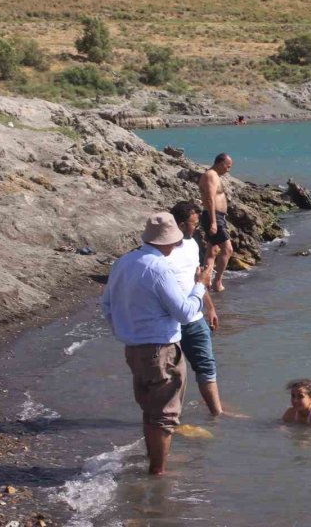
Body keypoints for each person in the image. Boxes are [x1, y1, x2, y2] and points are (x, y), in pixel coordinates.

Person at [101, 213, 212, 475]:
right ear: (167, 242)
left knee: (150, 410)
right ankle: (158, 472)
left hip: (134, 348)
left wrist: (125, 329)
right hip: (160, 349)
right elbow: (184, 313)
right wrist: (200, 286)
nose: (176, 246)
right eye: (175, 242)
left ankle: (154, 464)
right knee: (164, 415)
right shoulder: (160, 268)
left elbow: (106, 305)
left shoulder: (124, 262)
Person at [168, 201, 224, 416]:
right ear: (181, 225)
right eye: (194, 223)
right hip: (170, 321)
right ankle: (170, 416)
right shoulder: (164, 252)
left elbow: (198, 280)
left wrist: (210, 308)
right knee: (173, 373)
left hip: (196, 317)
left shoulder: (192, 245)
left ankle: (216, 414)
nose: (197, 227)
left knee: (207, 366)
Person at [199, 153, 234, 292]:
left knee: (212, 250)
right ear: (220, 163)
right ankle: (217, 282)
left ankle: (205, 281)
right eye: (228, 166)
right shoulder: (211, 175)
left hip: (218, 217)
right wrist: (214, 222)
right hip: (214, 217)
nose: (228, 170)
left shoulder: (214, 175)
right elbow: (209, 199)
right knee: (228, 249)